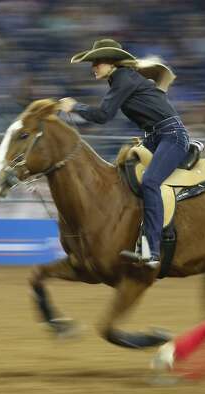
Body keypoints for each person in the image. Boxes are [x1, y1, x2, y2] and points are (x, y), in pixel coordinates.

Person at [60, 38, 190, 269]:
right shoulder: (122, 79)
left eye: (97, 62)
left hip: (171, 136)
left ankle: (152, 250)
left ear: (111, 62)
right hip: (157, 137)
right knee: (121, 175)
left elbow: (103, 115)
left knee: (150, 181)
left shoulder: (122, 78)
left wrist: (75, 107)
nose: (93, 67)